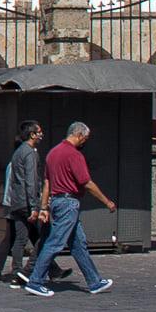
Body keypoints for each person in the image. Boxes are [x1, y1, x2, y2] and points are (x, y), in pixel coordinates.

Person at [22, 122, 116, 297]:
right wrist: (107, 201)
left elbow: (47, 184)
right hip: (69, 202)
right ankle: (35, 281)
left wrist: (44, 207)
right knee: (55, 242)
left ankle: (94, 281)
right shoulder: (74, 155)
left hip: (57, 201)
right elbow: (86, 182)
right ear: (79, 135)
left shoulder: (52, 154)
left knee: (78, 244)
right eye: (85, 138)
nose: (84, 142)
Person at [0, 120, 46, 285]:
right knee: (44, 236)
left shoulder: (18, 153)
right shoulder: (30, 153)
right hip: (26, 203)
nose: (41, 134)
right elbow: (31, 181)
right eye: (39, 131)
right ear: (32, 134)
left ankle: (17, 271)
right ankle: (26, 270)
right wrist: (35, 206)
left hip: (16, 203)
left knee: (20, 238)